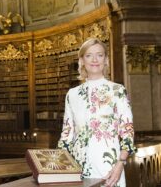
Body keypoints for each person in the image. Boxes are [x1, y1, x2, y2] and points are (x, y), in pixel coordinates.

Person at [57, 38, 136, 187]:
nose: (94, 60)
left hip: (109, 167)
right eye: (89, 55)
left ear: (106, 59)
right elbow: (66, 135)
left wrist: (120, 164)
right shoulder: (72, 94)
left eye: (99, 55)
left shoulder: (117, 90)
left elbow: (127, 132)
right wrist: (56, 166)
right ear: (81, 61)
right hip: (77, 168)